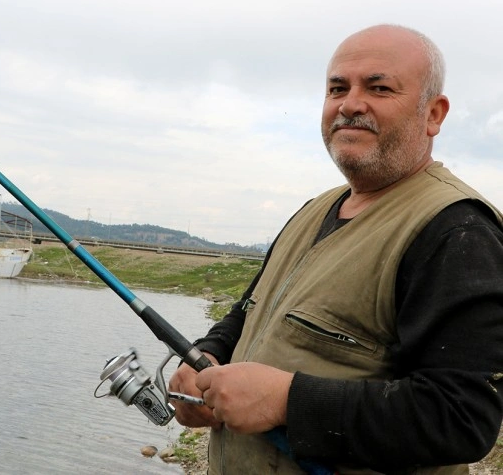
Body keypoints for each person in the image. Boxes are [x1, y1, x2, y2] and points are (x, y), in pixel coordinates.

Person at [169, 24, 503, 474]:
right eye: (337, 88)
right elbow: (248, 314)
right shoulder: (313, 210)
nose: (350, 104)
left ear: (433, 114)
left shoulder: (457, 230)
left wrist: (288, 401)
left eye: (379, 87)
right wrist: (206, 358)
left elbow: (460, 418)